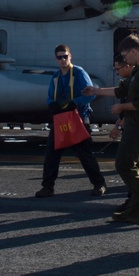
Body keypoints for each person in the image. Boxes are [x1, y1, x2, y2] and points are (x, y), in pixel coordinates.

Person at [83, 35, 139, 224]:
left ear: (134, 51)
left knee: (124, 165)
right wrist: (96, 91)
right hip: (138, 124)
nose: (124, 59)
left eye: (125, 55)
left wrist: (121, 108)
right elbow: (121, 90)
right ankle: (136, 209)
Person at [35, 45, 107, 198]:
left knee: (85, 155)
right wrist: (51, 104)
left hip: (78, 119)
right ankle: (47, 187)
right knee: (51, 156)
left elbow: (91, 94)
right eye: (60, 57)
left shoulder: (79, 73)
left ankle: (99, 184)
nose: (63, 60)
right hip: (60, 120)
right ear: (56, 59)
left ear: (70, 56)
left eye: (65, 56)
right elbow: (49, 97)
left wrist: (76, 102)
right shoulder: (55, 77)